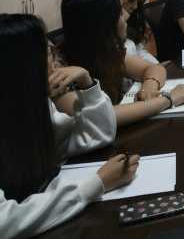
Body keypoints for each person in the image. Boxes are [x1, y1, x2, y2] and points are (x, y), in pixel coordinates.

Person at [0, 13, 140, 239]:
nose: (54, 61)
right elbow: (5, 222)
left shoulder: (32, 108)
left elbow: (98, 135)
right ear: (22, 66)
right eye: (47, 53)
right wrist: (95, 184)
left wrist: (87, 82)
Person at [58, 0, 184, 127]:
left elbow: (154, 68)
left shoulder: (106, 52)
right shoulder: (61, 73)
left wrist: (149, 88)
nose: (127, 15)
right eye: (120, 13)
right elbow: (106, 116)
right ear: (104, 26)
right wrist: (169, 99)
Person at [105, 0, 157, 64]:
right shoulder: (110, 38)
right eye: (131, 0)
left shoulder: (134, 20)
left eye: (138, 1)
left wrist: (157, 66)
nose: (135, 6)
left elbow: (141, 52)